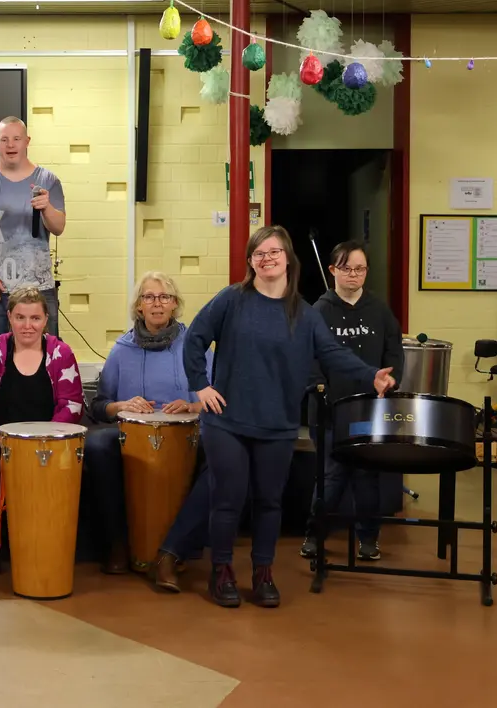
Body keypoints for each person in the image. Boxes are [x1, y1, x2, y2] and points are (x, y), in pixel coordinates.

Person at [184, 226, 395, 609]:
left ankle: (263, 573)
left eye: (274, 251)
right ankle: (222, 571)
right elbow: (195, 338)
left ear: (288, 258)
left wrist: (371, 374)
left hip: (277, 425)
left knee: (269, 502)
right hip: (227, 422)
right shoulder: (232, 299)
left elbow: (332, 353)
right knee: (227, 501)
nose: (267, 258)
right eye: (258, 253)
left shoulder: (305, 313)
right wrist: (200, 385)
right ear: (251, 261)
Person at [82, 272, 209, 575]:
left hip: (186, 433)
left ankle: (180, 545)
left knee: (221, 452)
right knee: (98, 444)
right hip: (133, 435)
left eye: (164, 297)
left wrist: (192, 405)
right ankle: (118, 543)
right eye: (149, 297)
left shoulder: (195, 345)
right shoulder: (122, 349)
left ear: (174, 304)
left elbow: (217, 399)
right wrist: (123, 405)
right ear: (139, 306)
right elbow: (99, 405)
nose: (156, 304)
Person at [0, 287, 85, 575]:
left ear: (46, 320)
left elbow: (72, 404)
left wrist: (42, 440)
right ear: (9, 318)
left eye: (35, 318)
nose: (28, 326)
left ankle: (48, 544)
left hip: (48, 439)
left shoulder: (61, 353)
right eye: (20, 317)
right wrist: (0, 438)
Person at [300, 240, 405, 562]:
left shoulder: (379, 310)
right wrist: (321, 389)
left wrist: (390, 379)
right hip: (330, 411)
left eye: (360, 269)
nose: (353, 275)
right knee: (332, 475)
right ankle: (315, 534)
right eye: (346, 269)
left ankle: (368, 538)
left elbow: (394, 350)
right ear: (333, 270)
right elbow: (310, 359)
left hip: (369, 409)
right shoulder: (318, 311)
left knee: (366, 475)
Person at [0, 117, 66, 345]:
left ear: (27, 141)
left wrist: (47, 207)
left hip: (38, 289)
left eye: (17, 139)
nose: (11, 145)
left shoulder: (48, 180)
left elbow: (58, 228)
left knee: (43, 358)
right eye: (4, 139)